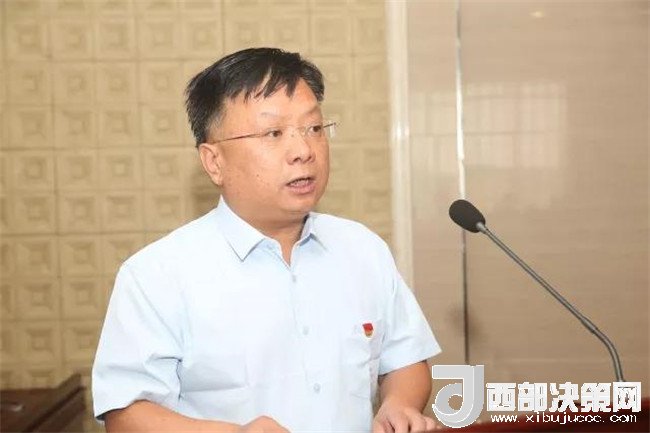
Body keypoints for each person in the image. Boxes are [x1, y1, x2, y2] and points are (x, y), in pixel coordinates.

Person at [92, 48, 441, 433]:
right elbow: (126, 415)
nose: (303, 151)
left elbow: (405, 359)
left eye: (314, 128)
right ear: (214, 162)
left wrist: (398, 404)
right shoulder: (156, 275)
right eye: (273, 134)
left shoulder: (363, 249)